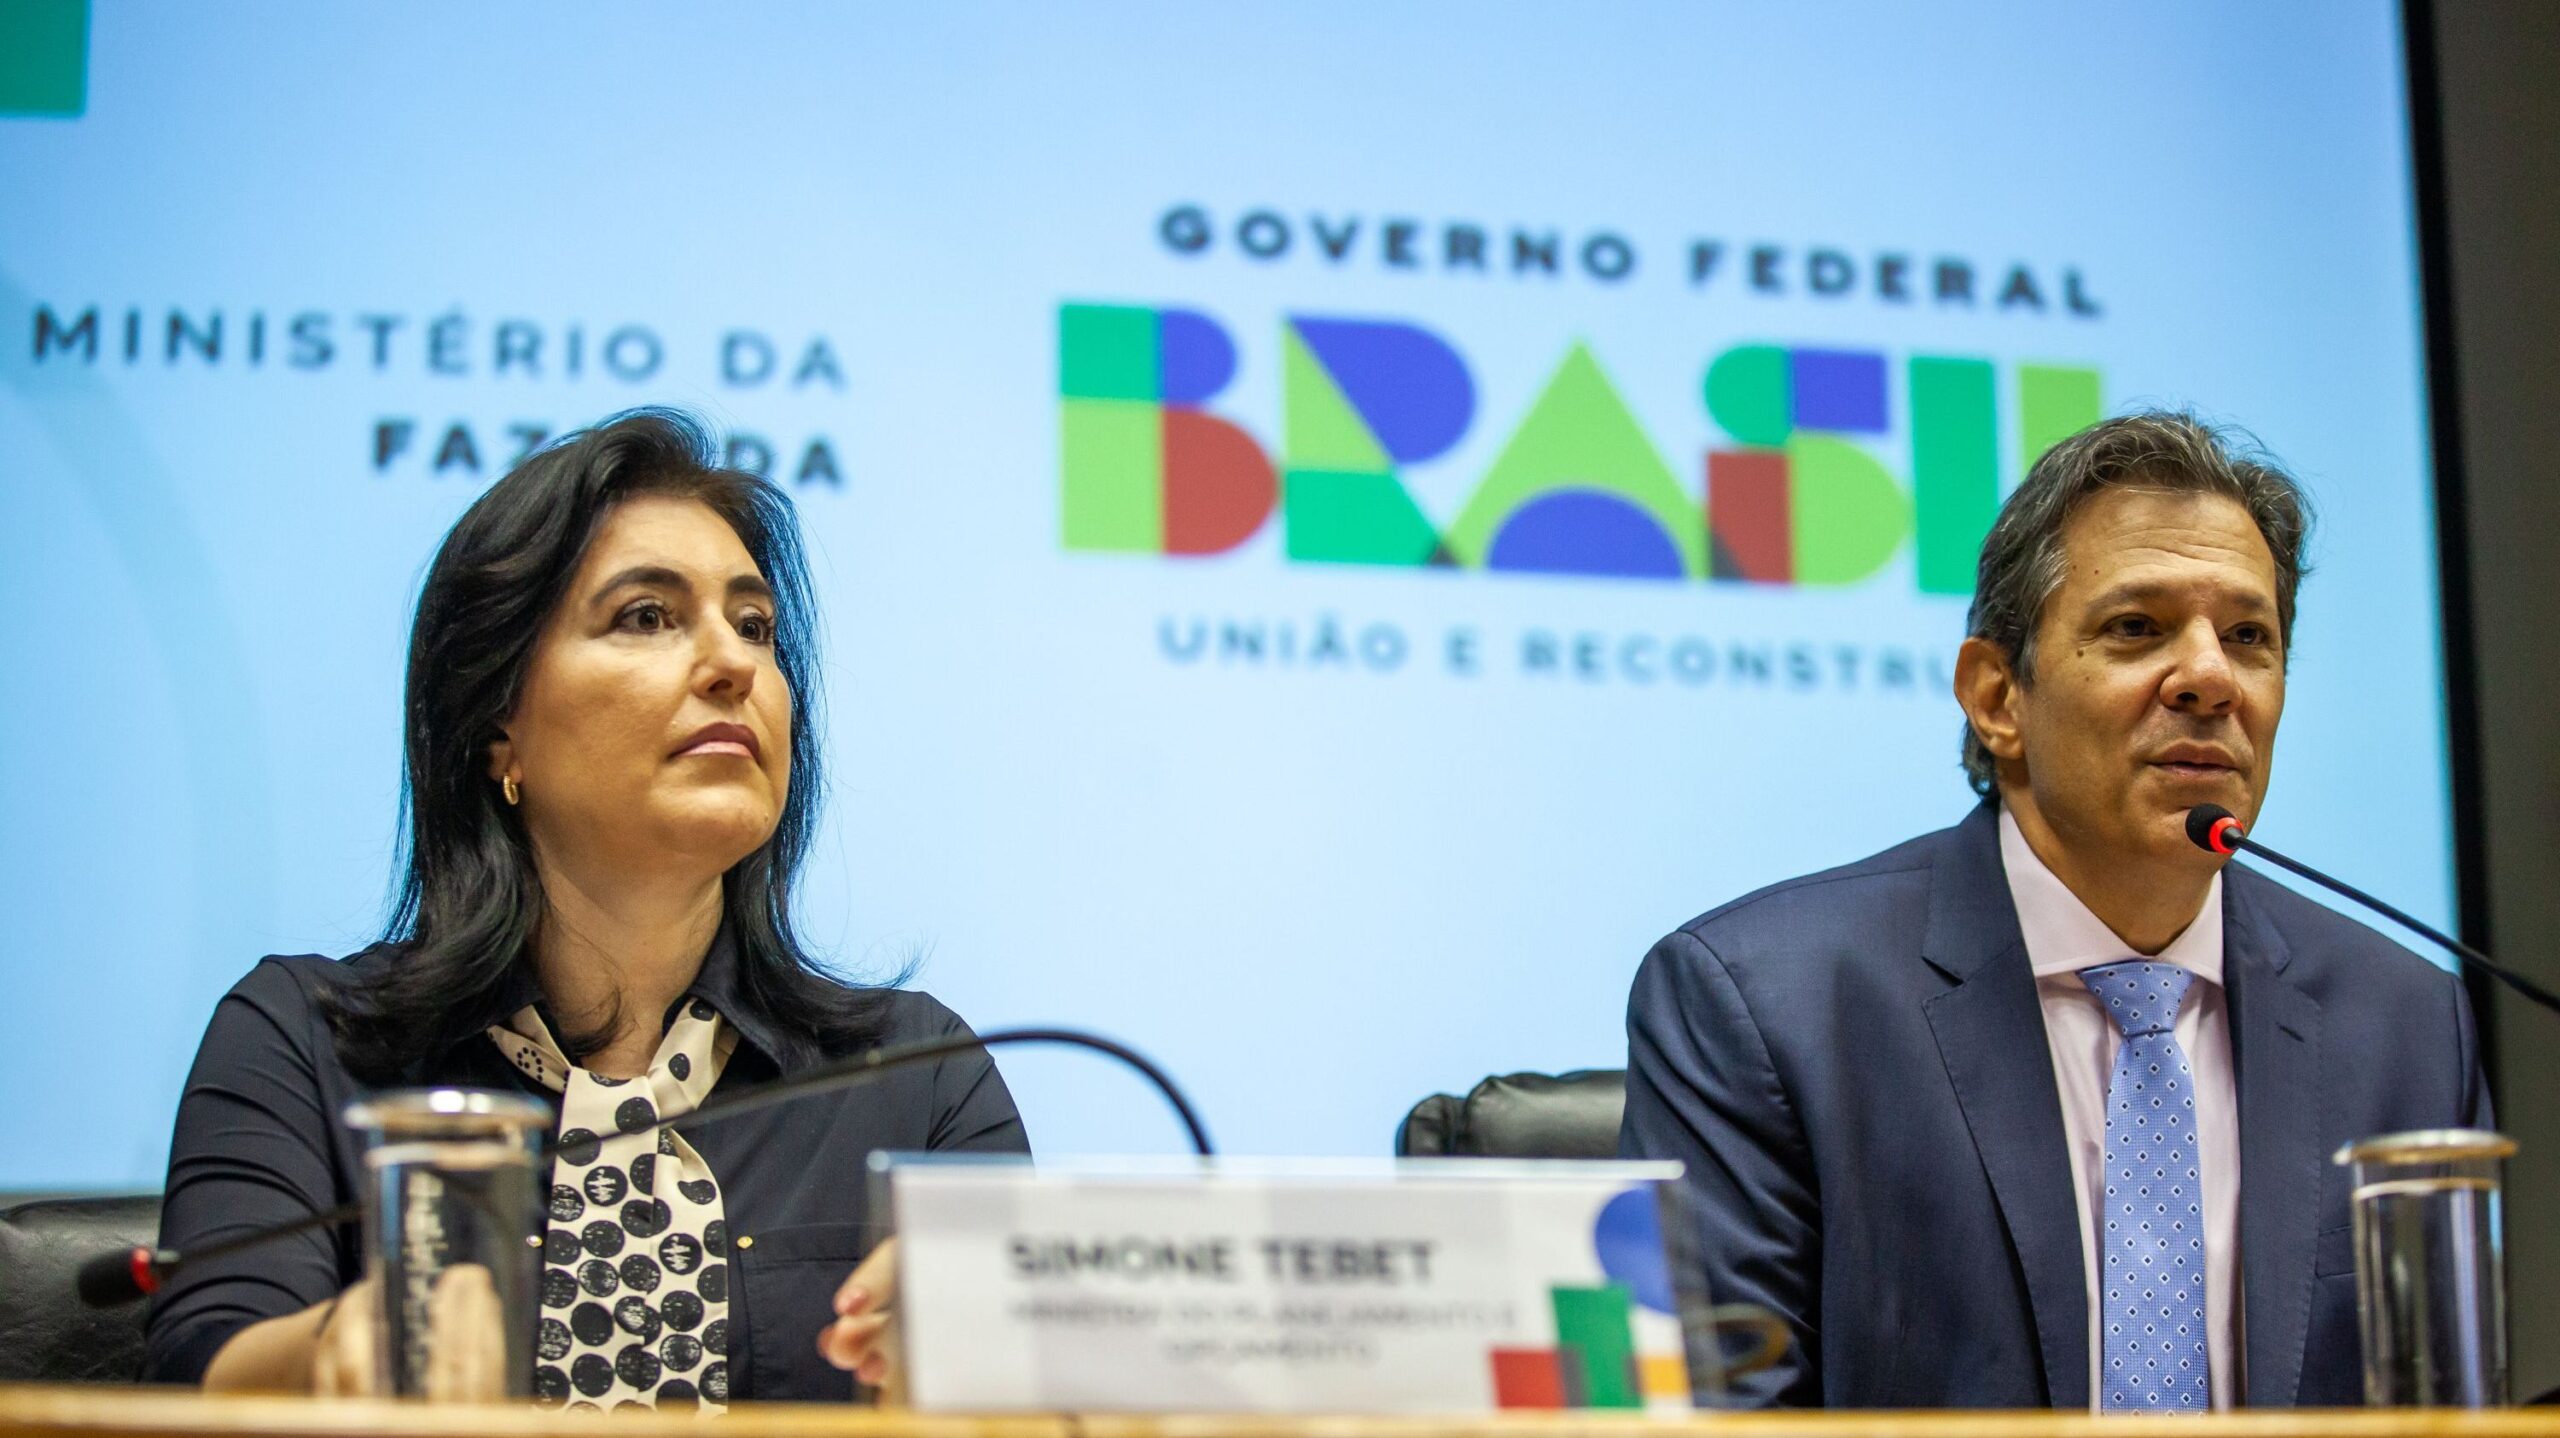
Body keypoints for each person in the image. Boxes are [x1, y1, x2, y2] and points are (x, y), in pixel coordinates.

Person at [144, 410, 1022, 1407]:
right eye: (646, 616)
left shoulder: (917, 1078)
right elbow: (196, 1369)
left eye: (755, 626)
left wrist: (982, 1365)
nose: (734, 664)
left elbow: (1048, 1399)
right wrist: (331, 1351)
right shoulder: (304, 1042)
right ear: (498, 729)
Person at [1620, 412, 2491, 1410]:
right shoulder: (1765, 1006)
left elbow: (2449, 1406)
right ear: (1997, 698)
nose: (2211, 677)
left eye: (2248, 637)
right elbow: (1717, 1419)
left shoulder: (2404, 1025)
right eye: (2137, 628)